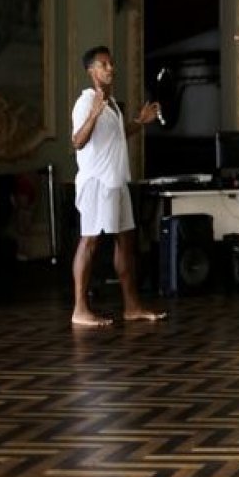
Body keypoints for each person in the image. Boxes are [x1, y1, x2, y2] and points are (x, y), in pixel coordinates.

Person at [70, 46, 166, 328]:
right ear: (91, 71)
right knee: (89, 241)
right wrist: (93, 114)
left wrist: (139, 121)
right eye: (103, 64)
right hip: (97, 184)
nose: (110, 68)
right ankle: (79, 308)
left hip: (116, 182)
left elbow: (117, 137)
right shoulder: (86, 102)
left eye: (111, 63)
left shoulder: (111, 104)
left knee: (126, 241)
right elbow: (77, 141)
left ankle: (132, 306)